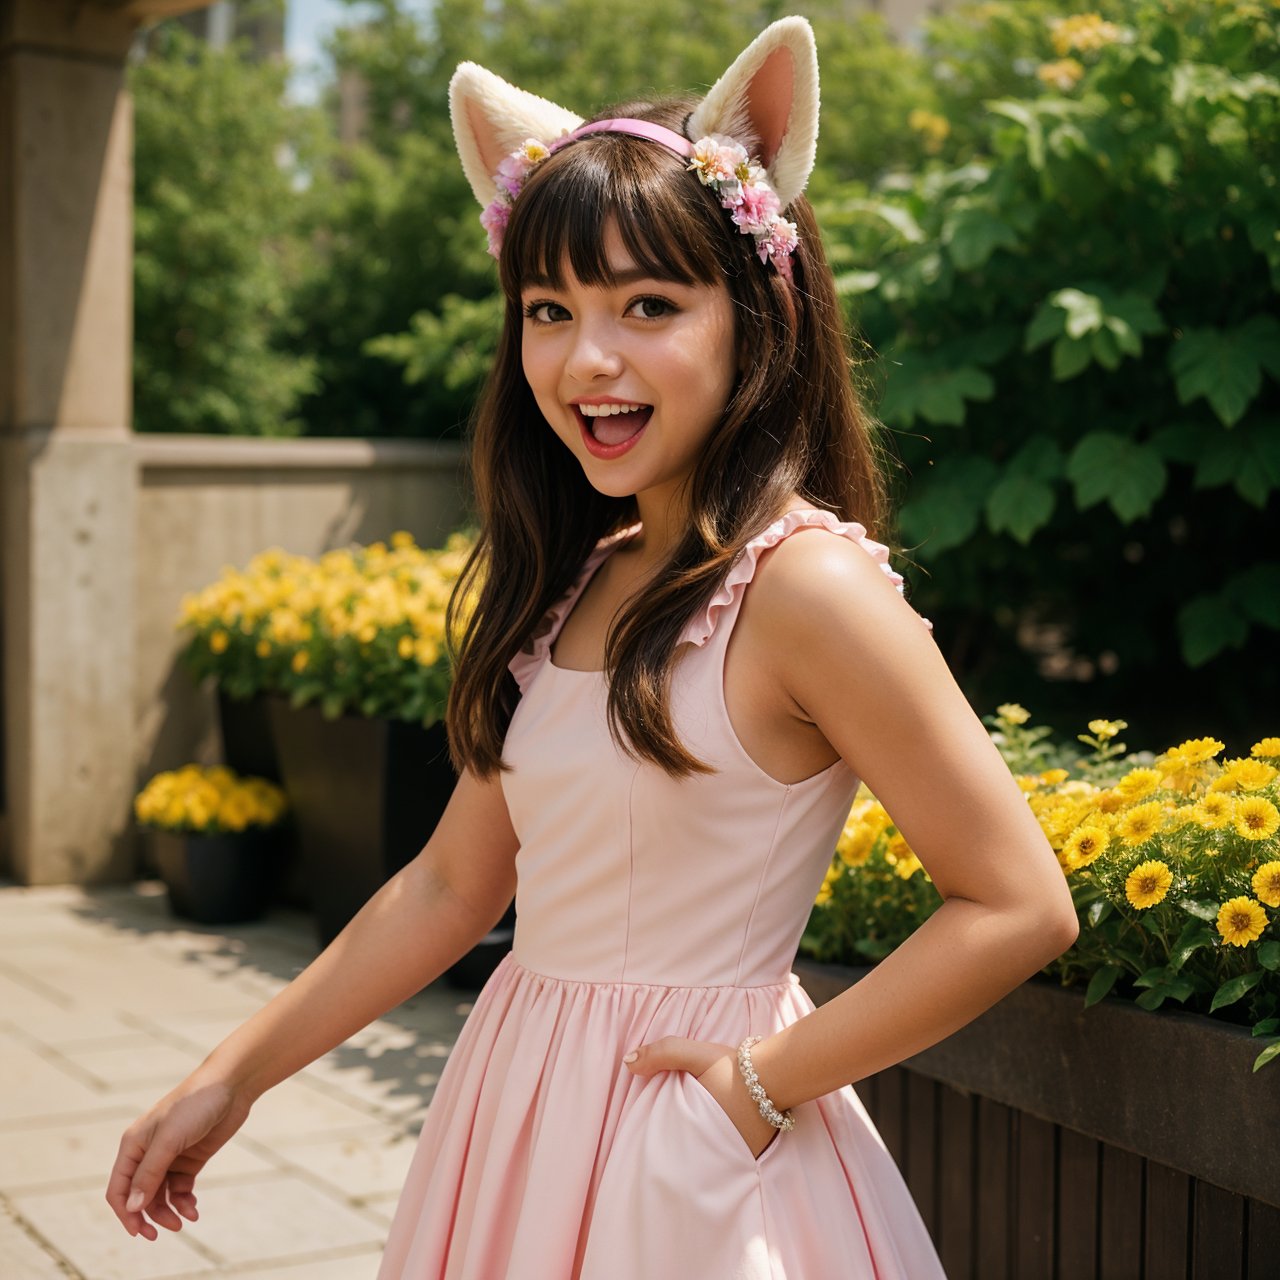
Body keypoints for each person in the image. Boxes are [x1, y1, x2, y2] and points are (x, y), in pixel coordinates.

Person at [107, 16, 1079, 1277]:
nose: (588, 357)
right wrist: (231, 1075)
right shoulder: (576, 579)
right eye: (549, 307)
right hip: (516, 1117)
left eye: (649, 304)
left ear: (754, 313)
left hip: (697, 1148)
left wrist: (755, 1083)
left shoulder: (807, 587)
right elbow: (454, 886)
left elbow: (1016, 901)